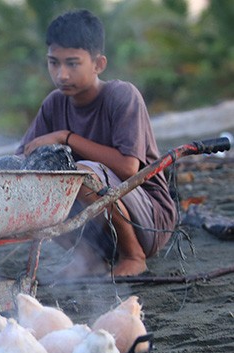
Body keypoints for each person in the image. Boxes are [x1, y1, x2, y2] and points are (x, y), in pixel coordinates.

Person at [16, 9, 177, 278]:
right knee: (28, 181)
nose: (61, 75)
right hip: (98, 231)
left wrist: (66, 137)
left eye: (73, 63)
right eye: (53, 63)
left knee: (82, 173)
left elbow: (128, 167)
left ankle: (133, 256)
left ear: (99, 64)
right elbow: (21, 158)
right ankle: (88, 257)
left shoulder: (122, 96)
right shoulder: (55, 103)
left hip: (148, 221)